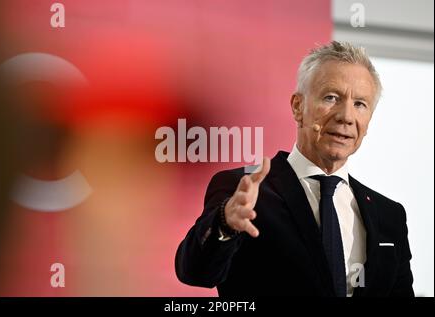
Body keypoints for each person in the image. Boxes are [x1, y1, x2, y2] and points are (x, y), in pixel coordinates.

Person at [175, 41, 414, 297]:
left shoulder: (389, 216)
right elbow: (195, 272)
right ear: (298, 107)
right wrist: (225, 223)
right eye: (331, 97)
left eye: (360, 104)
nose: (346, 116)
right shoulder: (242, 190)